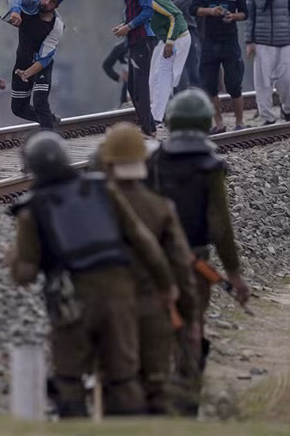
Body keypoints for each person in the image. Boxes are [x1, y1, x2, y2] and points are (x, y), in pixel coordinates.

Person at [8, 131, 177, 419]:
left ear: (31, 168)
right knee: (123, 375)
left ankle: (76, 423)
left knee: (69, 378)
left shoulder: (32, 210)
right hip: (119, 291)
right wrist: (166, 284)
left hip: (72, 300)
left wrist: (12, 257)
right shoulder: (102, 189)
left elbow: (24, 273)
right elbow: (142, 239)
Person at [145, 88, 250, 416]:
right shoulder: (211, 165)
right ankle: (187, 400)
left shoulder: (154, 163)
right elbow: (220, 223)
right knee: (192, 325)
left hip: (158, 259)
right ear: (206, 124)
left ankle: (157, 397)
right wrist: (233, 272)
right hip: (195, 260)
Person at [94, 124, 199, 415]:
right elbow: (180, 265)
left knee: (116, 385)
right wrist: (189, 317)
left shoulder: (95, 208)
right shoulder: (161, 208)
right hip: (153, 310)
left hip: (109, 313)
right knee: (156, 387)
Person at [190, 0, 247, 133]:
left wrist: (233, 16)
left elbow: (246, 13)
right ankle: (220, 123)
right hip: (209, 40)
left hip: (230, 41)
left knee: (234, 84)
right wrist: (210, 12)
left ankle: (239, 123)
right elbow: (193, 9)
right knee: (209, 83)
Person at [4, 0, 66, 131]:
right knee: (18, 109)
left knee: (40, 101)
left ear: (56, 7)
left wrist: (28, 73)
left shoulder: (56, 26)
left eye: (52, 2)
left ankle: (50, 138)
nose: (46, 2)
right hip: (21, 63)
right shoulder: (31, 2)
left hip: (40, 67)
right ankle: (50, 120)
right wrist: (15, 11)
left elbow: (45, 58)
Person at [113, 0, 157, 135]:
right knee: (132, 87)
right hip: (133, 40)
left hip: (143, 40)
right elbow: (133, 13)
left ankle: (147, 129)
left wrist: (129, 26)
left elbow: (148, 12)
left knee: (140, 87)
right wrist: (123, 26)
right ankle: (149, 125)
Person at [155, 0, 200, 91]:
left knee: (191, 70)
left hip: (186, 28)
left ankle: (200, 107)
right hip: (167, 31)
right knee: (170, 72)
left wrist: (167, 9)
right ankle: (176, 107)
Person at [148, 0, 191, 128]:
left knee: (164, 76)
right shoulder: (134, 1)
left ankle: (157, 118)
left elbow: (176, 16)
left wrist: (170, 41)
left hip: (177, 38)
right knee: (154, 78)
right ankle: (161, 114)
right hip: (164, 40)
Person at [101, 40, 130, 107]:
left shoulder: (147, 42)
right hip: (129, 84)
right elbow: (106, 65)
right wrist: (118, 78)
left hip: (147, 81)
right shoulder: (121, 47)